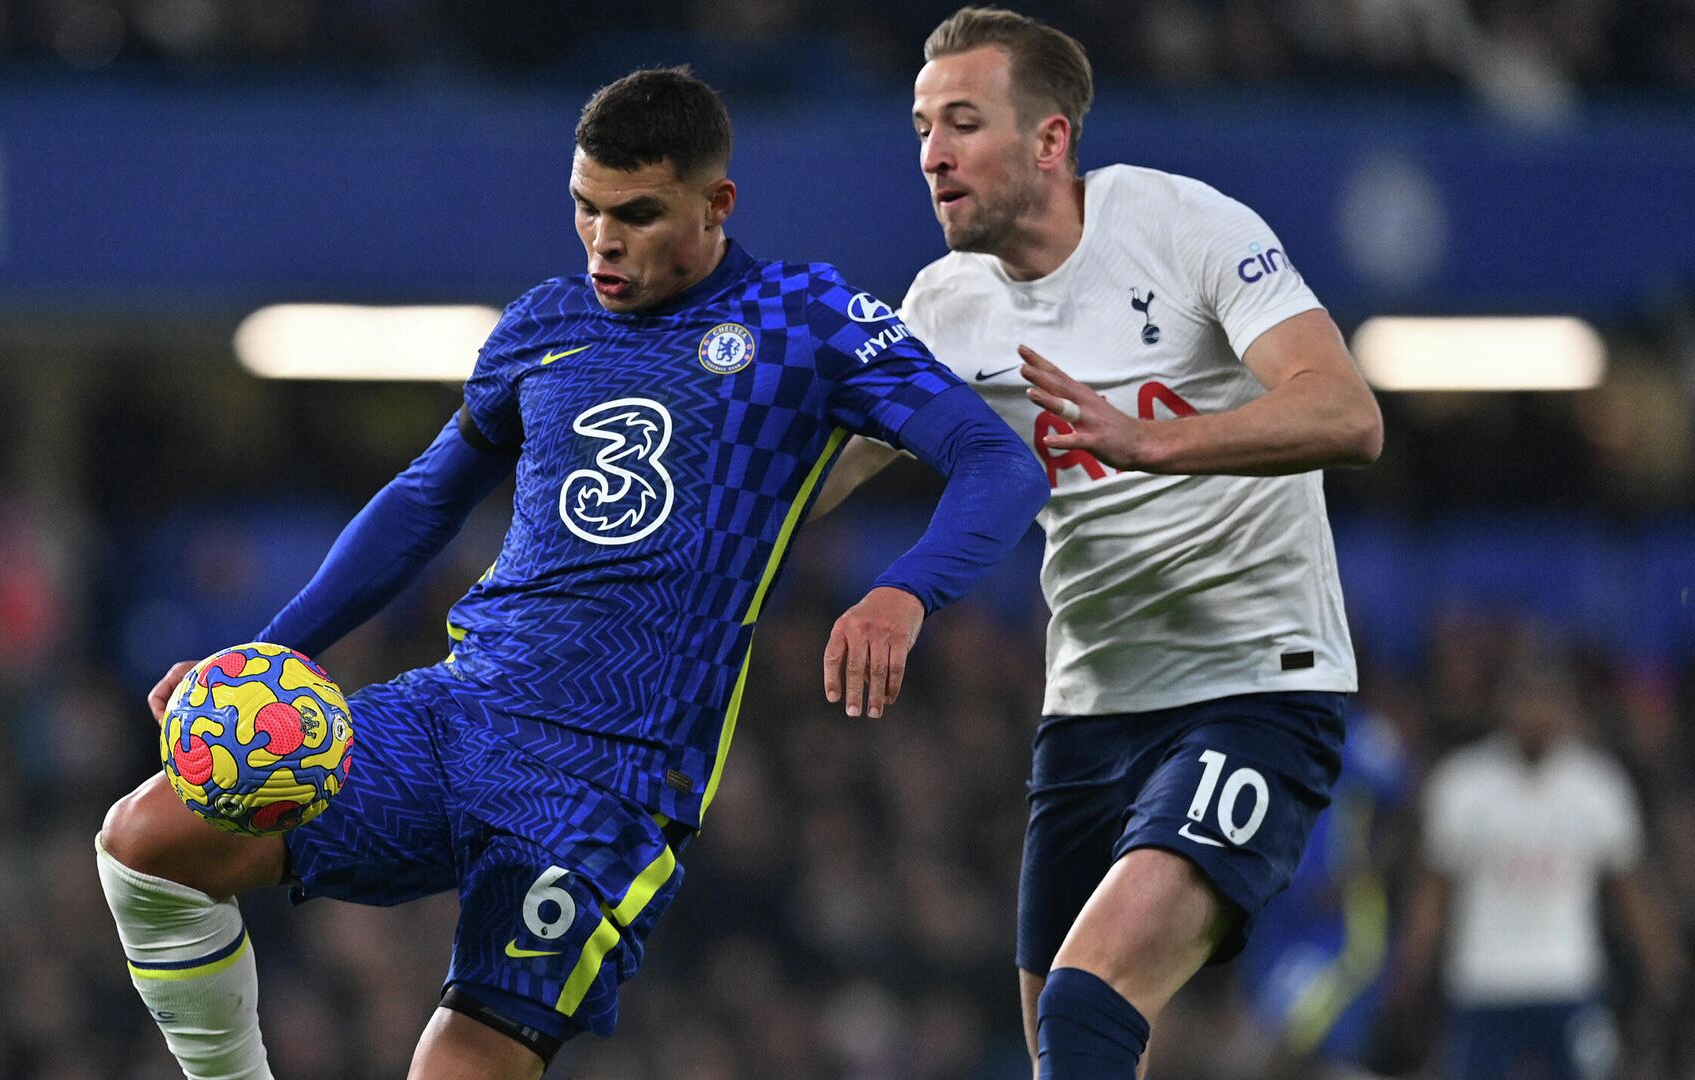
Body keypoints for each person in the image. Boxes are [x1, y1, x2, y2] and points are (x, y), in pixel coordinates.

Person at [94, 66, 1048, 1080]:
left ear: (717, 204)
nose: (603, 240)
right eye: (586, 209)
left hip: (607, 781)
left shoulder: (804, 321)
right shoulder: (545, 325)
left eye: (637, 214)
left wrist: (907, 589)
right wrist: (267, 651)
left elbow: (998, 462)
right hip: (459, 714)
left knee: (457, 1069)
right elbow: (424, 501)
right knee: (144, 840)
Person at [813, 8, 1385, 1078]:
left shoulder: (1184, 228)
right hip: (1085, 721)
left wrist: (1151, 439)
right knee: (1067, 1054)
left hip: (1256, 691)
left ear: (1050, 140)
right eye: (922, 126)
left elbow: (1346, 414)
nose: (931, 154)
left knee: (1086, 1001)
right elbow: (816, 479)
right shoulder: (947, 305)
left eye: (963, 122)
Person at [1394, 659, 1685, 1080]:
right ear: (1502, 705)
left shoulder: (1597, 785)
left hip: (1568, 980)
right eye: (1523, 698)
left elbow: (1629, 889)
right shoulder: (1464, 783)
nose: (1534, 711)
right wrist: (1412, 968)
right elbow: (1433, 890)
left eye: (1546, 698)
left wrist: (1661, 963)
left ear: (1567, 707)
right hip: (1484, 981)